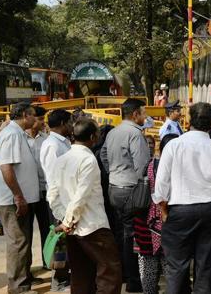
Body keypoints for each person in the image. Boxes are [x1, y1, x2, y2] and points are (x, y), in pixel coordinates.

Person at [154, 102, 211, 294]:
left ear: (189, 120)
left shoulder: (174, 145)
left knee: (176, 267)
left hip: (179, 210)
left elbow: (161, 184)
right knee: (205, 266)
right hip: (209, 209)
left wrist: (163, 209)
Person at [47, 118, 122, 294]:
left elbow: (52, 196)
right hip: (92, 227)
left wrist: (66, 219)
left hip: (73, 229)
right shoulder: (88, 160)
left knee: (81, 275)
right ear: (93, 136)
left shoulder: (61, 159)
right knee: (110, 273)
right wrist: (68, 221)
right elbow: (81, 196)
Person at [101, 98, 150, 292]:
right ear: (135, 114)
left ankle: (123, 274)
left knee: (121, 233)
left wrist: (114, 173)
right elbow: (143, 166)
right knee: (133, 235)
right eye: (143, 113)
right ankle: (134, 281)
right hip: (131, 190)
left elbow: (103, 155)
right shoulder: (135, 134)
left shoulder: (113, 131)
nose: (145, 117)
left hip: (114, 187)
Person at [0, 102, 40, 294]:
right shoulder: (12, 134)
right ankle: (18, 287)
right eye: (33, 115)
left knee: (23, 240)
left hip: (20, 198)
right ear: (23, 114)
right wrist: (18, 197)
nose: (35, 119)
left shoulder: (17, 133)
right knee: (18, 242)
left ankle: (24, 277)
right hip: (13, 200)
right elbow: (6, 168)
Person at [134, 134, 177, 294]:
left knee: (148, 267)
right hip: (168, 221)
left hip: (144, 221)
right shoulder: (175, 168)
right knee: (170, 267)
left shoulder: (148, 165)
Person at [40, 108, 73, 291]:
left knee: (66, 242)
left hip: (65, 199)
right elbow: (54, 180)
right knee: (60, 243)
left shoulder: (63, 142)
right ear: (62, 124)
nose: (71, 125)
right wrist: (59, 210)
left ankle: (65, 276)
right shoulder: (53, 145)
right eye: (69, 122)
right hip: (58, 202)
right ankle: (59, 280)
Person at [25, 106, 49, 269]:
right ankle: (26, 270)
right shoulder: (19, 139)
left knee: (47, 230)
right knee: (25, 234)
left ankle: (48, 263)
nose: (42, 122)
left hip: (44, 191)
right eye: (40, 119)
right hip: (26, 193)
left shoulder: (46, 139)